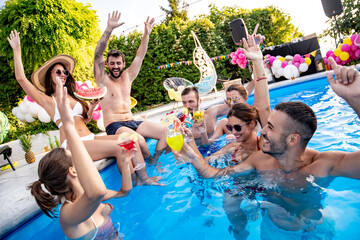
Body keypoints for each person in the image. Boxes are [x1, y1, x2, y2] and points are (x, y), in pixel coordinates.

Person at [179, 35, 360, 236]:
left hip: (314, 228)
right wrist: (190, 148)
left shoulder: (322, 165)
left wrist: (356, 99)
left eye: (270, 127)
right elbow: (214, 173)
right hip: (273, 229)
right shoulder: (260, 160)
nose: (262, 130)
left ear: (293, 139)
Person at [8, 30, 160, 186]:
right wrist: (17, 49)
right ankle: (140, 182)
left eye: (65, 72)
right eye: (58, 72)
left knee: (130, 141)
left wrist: (91, 108)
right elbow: (21, 78)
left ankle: (139, 180)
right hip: (73, 145)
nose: (63, 74)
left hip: (90, 138)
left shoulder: (74, 95)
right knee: (120, 148)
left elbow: (85, 121)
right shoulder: (48, 100)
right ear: (50, 76)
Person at [28, 78, 133, 239]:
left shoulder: (88, 194)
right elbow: (97, 192)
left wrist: (125, 164)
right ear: (73, 170)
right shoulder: (68, 215)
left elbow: (124, 192)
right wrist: (68, 126)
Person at [93, 11, 167, 163]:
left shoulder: (128, 76)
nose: (115, 66)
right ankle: (149, 166)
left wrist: (146, 34)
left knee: (166, 133)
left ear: (123, 64)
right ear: (107, 65)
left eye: (118, 63)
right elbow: (97, 55)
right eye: (112, 63)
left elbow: (140, 56)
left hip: (133, 122)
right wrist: (109, 29)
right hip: (115, 126)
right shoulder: (102, 79)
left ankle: (154, 161)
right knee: (138, 140)